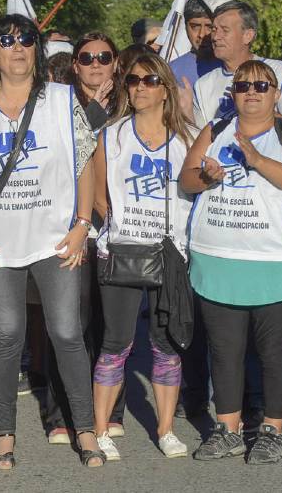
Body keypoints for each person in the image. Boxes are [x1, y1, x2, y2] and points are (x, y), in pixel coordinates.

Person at [0, 14, 105, 470]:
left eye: (26, 41)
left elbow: (84, 161)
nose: (17, 49)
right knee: (5, 336)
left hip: (56, 239)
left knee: (66, 332)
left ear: (35, 51)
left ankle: (86, 430)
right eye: (7, 41)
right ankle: (4, 436)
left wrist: (83, 224)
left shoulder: (62, 99)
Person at [180, 59, 282, 465]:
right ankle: (228, 429)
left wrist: (257, 160)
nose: (252, 92)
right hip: (219, 258)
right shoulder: (216, 129)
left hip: (275, 261)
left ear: (276, 94)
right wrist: (205, 175)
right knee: (224, 351)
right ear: (233, 94)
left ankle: (273, 431)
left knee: (275, 352)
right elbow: (186, 179)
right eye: (243, 86)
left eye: (261, 86)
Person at [91, 50, 194, 461]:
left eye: (149, 81)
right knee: (116, 343)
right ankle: (101, 432)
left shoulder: (189, 136)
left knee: (166, 345)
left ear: (165, 90)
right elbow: (98, 194)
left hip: (171, 253)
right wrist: (120, 225)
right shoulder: (112, 135)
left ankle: (166, 430)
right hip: (122, 249)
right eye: (132, 80)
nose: (138, 88)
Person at [44, 31, 121, 445]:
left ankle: (112, 409)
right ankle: (62, 413)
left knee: (112, 323)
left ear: (115, 63)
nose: (95, 64)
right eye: (86, 58)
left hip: (122, 226)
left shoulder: (132, 100)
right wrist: (92, 110)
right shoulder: (59, 105)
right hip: (74, 224)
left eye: (104, 57)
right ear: (75, 65)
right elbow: (62, 151)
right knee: (70, 323)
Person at [192, 0, 282, 128]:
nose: (216, 37)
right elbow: (199, 136)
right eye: (214, 29)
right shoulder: (202, 85)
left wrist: (254, 112)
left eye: (225, 30)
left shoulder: (280, 71)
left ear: (248, 36)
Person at [167, 0, 221, 90]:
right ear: (185, 27)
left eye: (210, 27)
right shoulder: (171, 71)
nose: (202, 34)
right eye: (195, 26)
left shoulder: (239, 67)